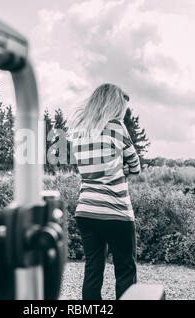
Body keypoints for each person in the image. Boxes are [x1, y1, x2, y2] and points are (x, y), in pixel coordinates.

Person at [67, 83, 141, 300]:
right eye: (122, 109)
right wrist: (121, 167)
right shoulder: (117, 128)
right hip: (115, 210)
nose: (123, 114)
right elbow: (135, 166)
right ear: (114, 106)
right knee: (125, 268)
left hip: (86, 210)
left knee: (93, 269)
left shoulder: (80, 132)